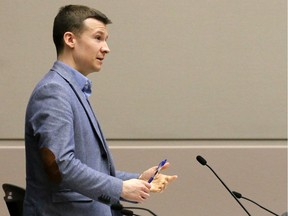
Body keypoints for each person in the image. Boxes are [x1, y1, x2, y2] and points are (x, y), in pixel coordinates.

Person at [24, 4, 177, 216]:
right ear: (70, 40)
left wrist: (136, 179)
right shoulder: (54, 91)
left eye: (106, 40)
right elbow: (61, 165)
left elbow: (91, 167)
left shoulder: (72, 89)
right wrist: (121, 188)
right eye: (98, 38)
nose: (106, 48)